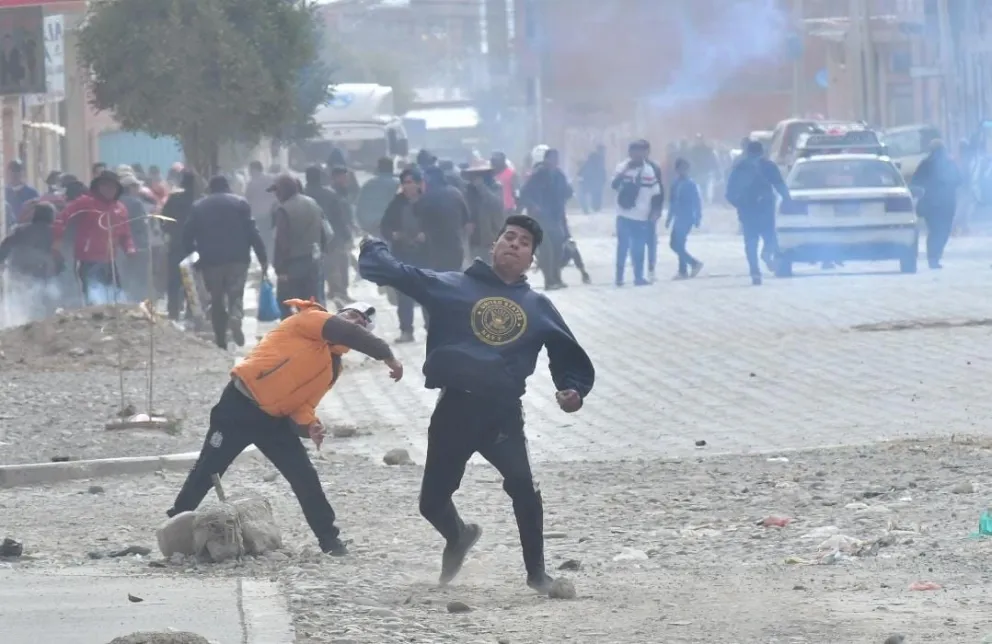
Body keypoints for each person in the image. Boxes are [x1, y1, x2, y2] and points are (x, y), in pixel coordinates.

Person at [358, 214, 595, 593]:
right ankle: (459, 535)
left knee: (524, 488)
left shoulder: (537, 305)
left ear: (530, 259)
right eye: (510, 237)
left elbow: (565, 352)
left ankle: (538, 575)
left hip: (501, 415)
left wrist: (572, 389)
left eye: (524, 243)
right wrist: (372, 246)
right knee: (431, 503)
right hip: (454, 410)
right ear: (494, 245)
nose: (515, 244)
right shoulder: (452, 286)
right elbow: (401, 274)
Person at [166, 300, 403, 556]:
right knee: (208, 469)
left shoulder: (333, 368)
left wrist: (310, 425)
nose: (355, 322)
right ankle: (173, 529)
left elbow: (304, 405)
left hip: (274, 423)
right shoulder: (310, 319)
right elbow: (347, 333)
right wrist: (388, 356)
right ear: (338, 314)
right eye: (351, 315)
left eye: (362, 323)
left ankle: (330, 541)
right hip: (238, 407)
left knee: (305, 478)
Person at [184, 175, 269, 348]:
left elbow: (187, 234)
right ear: (227, 187)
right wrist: (262, 257)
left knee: (216, 299)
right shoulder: (240, 203)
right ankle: (236, 316)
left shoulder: (198, 206)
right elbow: (252, 231)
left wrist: (193, 254)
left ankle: (221, 339)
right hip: (238, 259)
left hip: (210, 260)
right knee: (235, 293)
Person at [52, 170, 135, 304]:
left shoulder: (120, 209)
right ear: (98, 186)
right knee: (93, 299)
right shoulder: (85, 203)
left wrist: (129, 248)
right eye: (105, 186)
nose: (109, 190)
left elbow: (125, 234)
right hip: (87, 260)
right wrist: (57, 241)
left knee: (117, 298)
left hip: (110, 262)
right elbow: (61, 219)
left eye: (113, 187)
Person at [725, 140, 790, 285]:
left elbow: (729, 193)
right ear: (762, 152)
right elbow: (779, 185)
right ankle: (764, 257)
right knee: (769, 238)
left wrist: (739, 205)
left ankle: (755, 271)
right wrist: (787, 199)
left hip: (749, 211)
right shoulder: (767, 166)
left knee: (751, 242)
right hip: (763, 209)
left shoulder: (740, 168)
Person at [379, 167, 429, 343]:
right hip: (403, 253)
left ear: (418, 183)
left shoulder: (427, 202)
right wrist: (393, 235)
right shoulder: (397, 203)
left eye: (411, 182)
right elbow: (385, 225)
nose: (408, 186)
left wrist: (426, 234)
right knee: (404, 294)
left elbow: (438, 224)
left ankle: (432, 328)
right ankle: (406, 330)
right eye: (405, 183)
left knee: (427, 294)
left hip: (424, 254)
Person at [271, 174, 326, 318]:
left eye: (277, 192)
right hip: (312, 261)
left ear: (283, 191)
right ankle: (312, 332)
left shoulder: (284, 209)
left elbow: (281, 241)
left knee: (284, 303)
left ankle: (293, 332)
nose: (276, 196)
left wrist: (280, 269)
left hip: (292, 264)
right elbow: (325, 232)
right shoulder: (313, 203)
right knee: (310, 302)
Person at [519, 148, 573, 290]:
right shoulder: (538, 174)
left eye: (556, 158)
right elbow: (524, 193)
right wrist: (533, 205)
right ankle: (549, 281)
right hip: (539, 218)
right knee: (546, 249)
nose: (555, 161)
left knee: (558, 248)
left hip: (555, 217)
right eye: (552, 158)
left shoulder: (559, 175)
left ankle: (556, 277)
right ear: (545, 159)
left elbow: (567, 192)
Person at [612, 140, 662, 287]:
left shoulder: (649, 170)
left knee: (638, 249)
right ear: (630, 153)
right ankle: (619, 277)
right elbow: (613, 185)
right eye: (635, 152)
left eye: (641, 152)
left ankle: (638, 277)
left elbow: (655, 193)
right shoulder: (621, 167)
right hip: (623, 214)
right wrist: (623, 172)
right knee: (622, 248)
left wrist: (654, 211)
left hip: (642, 216)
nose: (638, 155)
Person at [0, 202, 63, 319]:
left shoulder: (19, 229)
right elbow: (60, 254)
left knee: (22, 301)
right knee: (45, 302)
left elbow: (5, 247)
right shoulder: (55, 232)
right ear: (52, 216)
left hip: (19, 271)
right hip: (43, 272)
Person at [305, 165, 353, 305]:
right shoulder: (330, 194)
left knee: (314, 270)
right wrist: (346, 235)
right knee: (336, 266)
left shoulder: (302, 194)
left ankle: (318, 297)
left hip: (308, 239)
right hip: (331, 238)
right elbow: (339, 218)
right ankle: (338, 292)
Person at [911, 139, 961, 269]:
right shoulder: (933, 164)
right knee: (941, 231)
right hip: (942, 204)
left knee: (936, 232)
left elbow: (915, 181)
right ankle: (934, 257)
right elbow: (959, 180)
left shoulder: (929, 164)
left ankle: (934, 257)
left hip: (936, 204)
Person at [162, 169, 199, 319]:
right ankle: (191, 313)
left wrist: (169, 232)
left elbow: (163, 219)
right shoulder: (199, 200)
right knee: (191, 280)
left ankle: (173, 311)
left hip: (176, 244)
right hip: (195, 246)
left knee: (174, 280)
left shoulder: (174, 198)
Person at [665, 158, 704, 279]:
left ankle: (690, 265)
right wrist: (669, 218)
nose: (683, 171)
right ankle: (685, 268)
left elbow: (697, 202)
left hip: (686, 217)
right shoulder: (675, 183)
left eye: (685, 168)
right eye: (681, 168)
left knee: (677, 244)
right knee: (676, 244)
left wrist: (697, 217)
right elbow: (672, 202)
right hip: (678, 217)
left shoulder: (691, 184)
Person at [462, 163, 506, 260]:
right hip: (474, 238)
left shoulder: (496, 186)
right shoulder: (469, 190)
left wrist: (482, 188)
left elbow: (496, 203)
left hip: (491, 234)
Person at [355, 157, 399, 235]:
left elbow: (359, 208)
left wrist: (364, 225)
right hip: (393, 229)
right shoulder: (398, 185)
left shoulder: (367, 185)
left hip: (371, 228)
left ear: (378, 169)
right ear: (392, 168)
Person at [245, 160, 277, 258]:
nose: (249, 172)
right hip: (271, 213)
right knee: (269, 238)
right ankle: (270, 257)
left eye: (250, 170)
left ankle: (265, 257)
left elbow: (247, 199)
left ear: (254, 169)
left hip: (258, 215)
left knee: (261, 237)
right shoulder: (271, 179)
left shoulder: (252, 183)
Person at [6, 160, 39, 231]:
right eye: (12, 170)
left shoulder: (32, 193)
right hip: (7, 232)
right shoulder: (3, 192)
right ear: (8, 172)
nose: (14, 173)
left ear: (23, 172)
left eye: (17, 170)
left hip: (26, 231)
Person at [577, 145, 607, 214]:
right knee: (592, 194)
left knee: (588, 195)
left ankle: (590, 208)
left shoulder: (599, 159)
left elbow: (584, 168)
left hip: (591, 181)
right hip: (591, 181)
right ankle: (592, 208)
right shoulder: (598, 159)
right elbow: (602, 170)